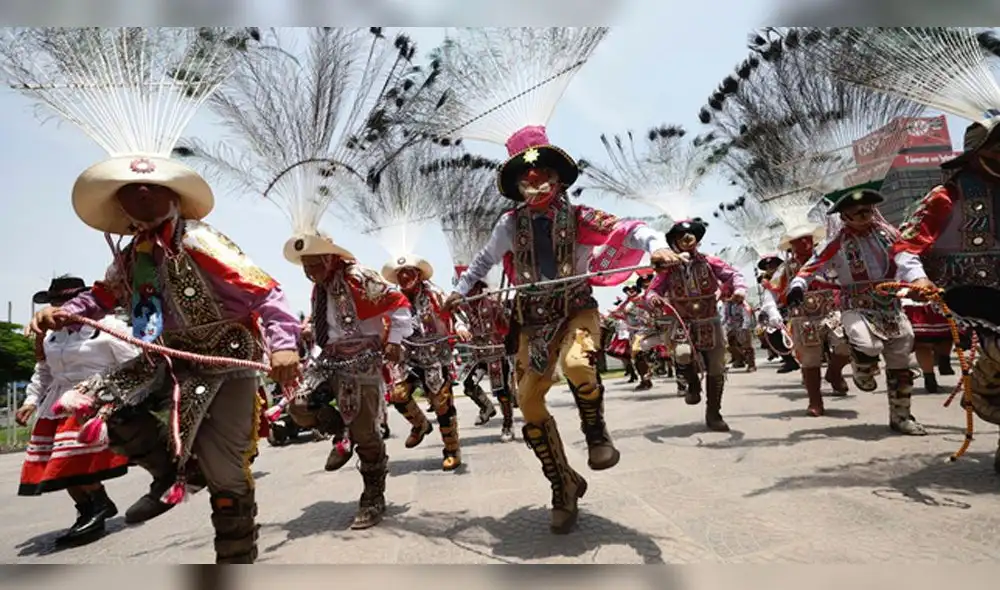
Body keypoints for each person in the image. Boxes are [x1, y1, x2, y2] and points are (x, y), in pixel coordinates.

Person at [31, 158, 302, 563]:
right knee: (106, 409)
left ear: (174, 196)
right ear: (120, 208)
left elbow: (266, 292)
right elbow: (104, 295)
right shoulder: (132, 255)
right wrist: (64, 311)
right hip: (170, 360)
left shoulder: (199, 241)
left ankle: (235, 560)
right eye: (130, 190)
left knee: (227, 473)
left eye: (151, 187)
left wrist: (284, 345)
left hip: (230, 360)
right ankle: (173, 475)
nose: (141, 193)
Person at [445, 125, 678, 533]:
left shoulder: (580, 215)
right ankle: (564, 483)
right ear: (518, 185)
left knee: (577, 363)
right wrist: (458, 290)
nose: (535, 183)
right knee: (528, 403)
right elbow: (482, 263)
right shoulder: (507, 225)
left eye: (543, 175)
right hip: (531, 322)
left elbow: (629, 228)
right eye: (526, 178)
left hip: (576, 310)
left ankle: (596, 433)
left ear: (557, 178)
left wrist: (657, 244)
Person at [890, 116, 1000, 467]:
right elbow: (907, 247)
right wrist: (918, 278)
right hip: (969, 291)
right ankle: (983, 383)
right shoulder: (946, 195)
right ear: (976, 154)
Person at [285, 232, 411, 528]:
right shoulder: (319, 287)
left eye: (314, 265)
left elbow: (400, 304)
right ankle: (342, 431)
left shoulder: (358, 276)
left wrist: (394, 339)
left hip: (361, 359)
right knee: (299, 406)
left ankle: (373, 496)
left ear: (330, 258)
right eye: (305, 266)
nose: (309, 272)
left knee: (366, 433)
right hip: (327, 359)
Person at [788, 188, 925, 435]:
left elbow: (907, 259)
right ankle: (861, 363)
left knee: (902, 356)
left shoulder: (891, 235)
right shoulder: (836, 241)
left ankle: (902, 416)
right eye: (857, 212)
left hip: (891, 305)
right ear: (845, 216)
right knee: (867, 343)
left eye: (868, 210)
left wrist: (917, 279)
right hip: (855, 305)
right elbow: (812, 266)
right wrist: (797, 286)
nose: (864, 216)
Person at [16, 276, 139, 546]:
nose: (58, 310)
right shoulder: (50, 338)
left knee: (72, 460)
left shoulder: (108, 327)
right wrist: (30, 401)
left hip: (93, 401)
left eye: (65, 303)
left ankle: (98, 505)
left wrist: (117, 398)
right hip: (57, 405)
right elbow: (44, 372)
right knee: (58, 467)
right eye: (54, 304)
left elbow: (135, 364)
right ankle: (88, 510)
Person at [646, 218, 747, 432]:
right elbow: (652, 290)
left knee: (717, 367)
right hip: (683, 322)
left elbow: (734, 275)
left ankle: (714, 413)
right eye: (680, 236)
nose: (686, 238)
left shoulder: (711, 262)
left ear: (697, 239)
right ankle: (691, 382)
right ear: (674, 242)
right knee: (682, 353)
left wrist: (739, 290)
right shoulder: (667, 269)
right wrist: (653, 299)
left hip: (710, 321)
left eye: (691, 234)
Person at [385, 255, 469, 471]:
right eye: (400, 273)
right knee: (397, 395)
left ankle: (452, 450)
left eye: (408, 272)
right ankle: (420, 425)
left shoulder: (435, 293)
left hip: (435, 356)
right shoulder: (393, 299)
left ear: (419, 274)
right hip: (408, 356)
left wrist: (459, 326)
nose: (404, 276)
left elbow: (455, 311)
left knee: (442, 404)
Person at [775, 224, 852, 416]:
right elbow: (774, 291)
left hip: (832, 311)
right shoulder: (786, 269)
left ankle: (834, 372)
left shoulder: (829, 259)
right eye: (798, 240)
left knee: (848, 344)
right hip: (803, 317)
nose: (804, 242)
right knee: (810, 359)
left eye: (807, 238)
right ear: (791, 245)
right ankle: (815, 401)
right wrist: (776, 307)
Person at [456, 275, 516, 443]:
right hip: (479, 356)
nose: (466, 289)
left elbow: (506, 327)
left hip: (496, 353)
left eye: (469, 285)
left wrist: (504, 312)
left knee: (502, 393)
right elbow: (456, 319)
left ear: (477, 285)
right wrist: (460, 326)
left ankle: (508, 424)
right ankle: (487, 407)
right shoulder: (463, 306)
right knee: (468, 385)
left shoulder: (493, 303)